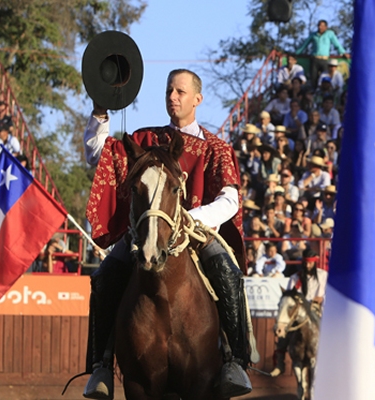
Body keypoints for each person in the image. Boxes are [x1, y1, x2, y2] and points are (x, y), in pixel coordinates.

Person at [81, 69, 253, 398]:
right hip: (144, 232)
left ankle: (234, 361)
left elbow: (230, 199)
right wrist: (100, 113)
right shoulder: (145, 140)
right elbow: (97, 155)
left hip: (196, 233)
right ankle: (101, 364)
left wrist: (191, 218)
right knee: (105, 276)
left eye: (180, 92)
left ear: (197, 100)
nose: (172, 97)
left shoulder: (214, 148)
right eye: (169, 91)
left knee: (228, 272)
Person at [269, 247, 327, 377]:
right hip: (300, 312)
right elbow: (289, 296)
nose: (308, 265)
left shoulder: (323, 275)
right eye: (306, 262)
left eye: (310, 262)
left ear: (314, 262)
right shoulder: (296, 278)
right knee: (284, 331)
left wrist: (322, 298)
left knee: (329, 329)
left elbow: (329, 294)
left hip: (318, 309)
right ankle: (280, 363)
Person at [295, 20, 349, 86]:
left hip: (324, 59)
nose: (320, 27)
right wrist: (297, 53)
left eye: (322, 26)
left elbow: (336, 44)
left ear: (326, 27)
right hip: (315, 59)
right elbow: (304, 44)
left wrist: (343, 52)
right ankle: (314, 93)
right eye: (319, 25)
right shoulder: (313, 35)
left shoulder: (330, 34)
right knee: (313, 78)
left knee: (326, 77)